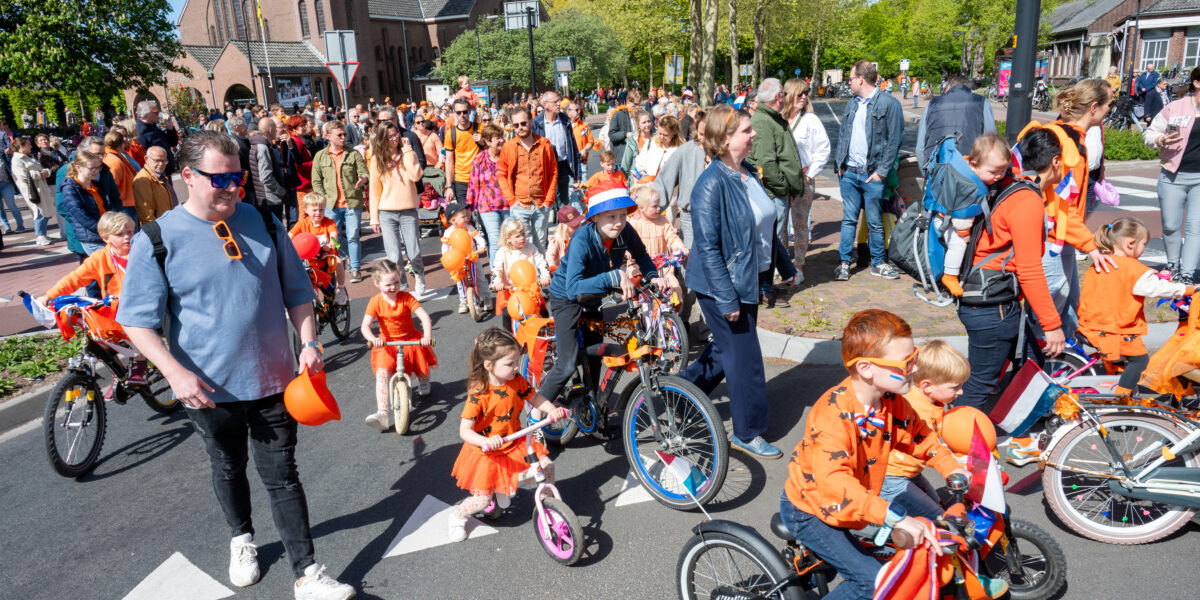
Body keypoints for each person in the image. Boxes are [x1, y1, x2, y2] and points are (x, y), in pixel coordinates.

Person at [115, 130, 356, 599]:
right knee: (227, 467)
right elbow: (137, 323)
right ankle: (242, 538)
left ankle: (307, 572)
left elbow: (298, 293)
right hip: (205, 389)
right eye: (219, 178)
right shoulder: (157, 240)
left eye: (237, 177)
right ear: (187, 176)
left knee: (283, 475)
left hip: (274, 381)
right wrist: (174, 372)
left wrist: (309, 343)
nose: (231, 187)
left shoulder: (264, 222)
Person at [780, 309, 983, 600]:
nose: (914, 368)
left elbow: (921, 437)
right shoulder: (832, 416)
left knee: (903, 556)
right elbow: (836, 483)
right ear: (866, 368)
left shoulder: (891, 401)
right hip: (811, 508)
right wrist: (894, 517)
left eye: (914, 357)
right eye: (905, 363)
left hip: (854, 505)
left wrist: (950, 467)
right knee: (873, 584)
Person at [680, 106, 797, 458]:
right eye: (747, 130)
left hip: (747, 280)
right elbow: (709, 249)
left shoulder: (747, 172)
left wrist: (783, 263)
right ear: (725, 138)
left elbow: (762, 227)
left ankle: (675, 392)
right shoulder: (710, 185)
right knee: (746, 361)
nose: (754, 135)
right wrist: (727, 300)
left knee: (725, 352)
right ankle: (748, 431)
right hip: (722, 287)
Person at [957, 127, 1065, 410]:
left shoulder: (1007, 183)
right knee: (981, 384)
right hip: (993, 304)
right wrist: (1052, 325)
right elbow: (1029, 270)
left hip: (987, 298)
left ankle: (1016, 430)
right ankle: (955, 445)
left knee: (1030, 364)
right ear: (1056, 162)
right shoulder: (1026, 199)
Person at [532, 179, 663, 412]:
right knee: (567, 363)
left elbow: (642, 254)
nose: (619, 222)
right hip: (567, 298)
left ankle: (591, 406)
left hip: (594, 298)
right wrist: (613, 277)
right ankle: (536, 415)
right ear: (595, 217)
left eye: (623, 215)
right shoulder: (581, 239)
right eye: (611, 217)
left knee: (595, 355)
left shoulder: (625, 231)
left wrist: (653, 277)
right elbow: (573, 288)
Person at [447, 327, 567, 542]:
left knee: (547, 466)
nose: (515, 367)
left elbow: (535, 399)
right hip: (487, 452)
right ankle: (456, 515)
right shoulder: (479, 392)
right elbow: (464, 430)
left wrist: (551, 410)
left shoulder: (517, 380)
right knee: (482, 501)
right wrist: (486, 440)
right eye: (509, 364)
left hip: (515, 441)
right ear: (489, 365)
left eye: (516, 362)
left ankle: (551, 507)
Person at [1077, 217, 1192, 396]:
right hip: (1116, 329)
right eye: (1143, 244)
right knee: (1140, 361)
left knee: (1119, 361)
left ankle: (1115, 384)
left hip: (1091, 324)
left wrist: (1147, 274)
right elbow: (1160, 289)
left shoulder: (1099, 263)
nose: (1143, 249)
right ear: (1131, 243)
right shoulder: (1134, 269)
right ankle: (1120, 397)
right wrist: (1190, 289)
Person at [37, 211, 148, 384]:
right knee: (98, 342)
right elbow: (75, 279)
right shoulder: (100, 258)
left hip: (142, 306)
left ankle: (140, 364)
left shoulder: (141, 252)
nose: (127, 237)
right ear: (106, 238)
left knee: (137, 328)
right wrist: (49, 295)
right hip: (115, 309)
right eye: (120, 234)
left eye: (130, 232)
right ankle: (118, 375)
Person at [880, 340, 969, 518]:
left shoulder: (934, 401)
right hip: (891, 477)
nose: (961, 392)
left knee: (938, 508)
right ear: (927, 386)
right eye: (955, 387)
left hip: (908, 471)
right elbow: (925, 445)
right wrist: (952, 466)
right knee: (939, 520)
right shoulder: (915, 410)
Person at [834, 61, 904, 281]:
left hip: (872, 173)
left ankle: (878, 262)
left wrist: (882, 172)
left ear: (861, 79)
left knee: (874, 220)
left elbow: (894, 140)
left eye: (851, 78)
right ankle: (844, 263)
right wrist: (840, 165)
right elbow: (843, 136)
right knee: (849, 220)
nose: (849, 82)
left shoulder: (889, 104)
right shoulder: (852, 104)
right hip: (850, 173)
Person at [932, 135, 1014, 297]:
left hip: (950, 218)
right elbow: (962, 218)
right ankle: (950, 275)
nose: (999, 176)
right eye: (994, 172)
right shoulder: (969, 185)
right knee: (959, 244)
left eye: (1003, 170)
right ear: (974, 165)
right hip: (947, 221)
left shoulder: (968, 168)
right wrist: (965, 235)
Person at [361, 259, 437, 430]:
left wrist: (427, 336)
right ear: (377, 283)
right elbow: (365, 326)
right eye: (388, 284)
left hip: (409, 338)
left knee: (420, 365)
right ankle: (382, 412)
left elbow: (424, 317)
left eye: (396, 282)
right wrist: (373, 339)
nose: (393, 287)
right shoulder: (375, 301)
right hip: (386, 343)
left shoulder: (406, 297)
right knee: (382, 373)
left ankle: (424, 381)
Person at [1146, 66, 1200, 285]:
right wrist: (1161, 140)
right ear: (1197, 83)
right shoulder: (1176, 108)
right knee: (1170, 225)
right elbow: (1150, 134)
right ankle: (1173, 265)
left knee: (1195, 227)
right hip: (1172, 175)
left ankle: (1187, 273)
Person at [748, 78, 806, 266]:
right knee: (770, 241)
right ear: (778, 97)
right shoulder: (764, 121)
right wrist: (782, 187)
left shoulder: (770, 118)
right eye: (783, 94)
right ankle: (767, 284)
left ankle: (769, 280)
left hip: (777, 192)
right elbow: (766, 162)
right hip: (774, 193)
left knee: (773, 240)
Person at [369, 121, 429, 297]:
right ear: (382, 139)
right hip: (386, 211)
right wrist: (374, 218)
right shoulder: (376, 159)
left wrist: (409, 151)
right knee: (393, 255)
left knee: (414, 251)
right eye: (389, 137)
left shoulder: (407, 154)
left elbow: (416, 175)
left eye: (396, 135)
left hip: (408, 209)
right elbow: (374, 191)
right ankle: (401, 285)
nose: (394, 139)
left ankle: (419, 275)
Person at [311, 120, 369, 283]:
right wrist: (323, 199)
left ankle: (355, 268)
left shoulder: (353, 154)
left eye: (344, 134)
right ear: (328, 136)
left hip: (352, 202)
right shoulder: (320, 156)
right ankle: (346, 256)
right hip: (331, 205)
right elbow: (316, 181)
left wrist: (363, 179)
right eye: (340, 135)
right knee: (335, 238)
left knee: (353, 236)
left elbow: (365, 173)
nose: (344, 137)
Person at [783, 79, 829, 279]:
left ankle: (799, 265)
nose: (803, 97)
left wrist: (810, 174)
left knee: (800, 224)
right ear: (789, 94)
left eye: (806, 93)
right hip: (780, 179)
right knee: (779, 224)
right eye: (799, 93)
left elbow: (823, 148)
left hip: (803, 177)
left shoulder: (810, 120)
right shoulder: (778, 119)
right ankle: (783, 263)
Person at [497, 107, 557, 253]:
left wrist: (548, 200)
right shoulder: (509, 146)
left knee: (540, 244)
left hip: (541, 204)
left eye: (523, 123)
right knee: (520, 245)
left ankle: (541, 275)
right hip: (519, 204)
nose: (520, 128)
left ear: (530, 121)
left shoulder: (544, 144)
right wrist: (511, 199)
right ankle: (525, 275)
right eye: (516, 125)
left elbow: (553, 172)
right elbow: (502, 174)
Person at [915, 75, 997, 174]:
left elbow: (920, 146)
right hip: (969, 168)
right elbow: (990, 141)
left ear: (949, 87)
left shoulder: (933, 103)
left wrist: (925, 172)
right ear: (969, 89)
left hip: (937, 168)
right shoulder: (981, 102)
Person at [653, 113, 708, 248]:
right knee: (690, 259)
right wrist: (650, 209)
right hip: (690, 218)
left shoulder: (726, 154)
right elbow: (664, 182)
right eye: (700, 133)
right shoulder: (687, 150)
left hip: (717, 218)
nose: (702, 138)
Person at [290, 192, 349, 305]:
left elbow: (335, 238)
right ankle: (314, 305)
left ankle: (341, 289)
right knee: (309, 285)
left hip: (327, 258)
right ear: (306, 210)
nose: (318, 213)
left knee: (339, 262)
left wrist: (331, 244)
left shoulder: (329, 223)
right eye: (314, 210)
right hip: (310, 261)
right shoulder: (302, 224)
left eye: (321, 210)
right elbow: (289, 237)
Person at [627, 185, 686, 291]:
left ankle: (674, 307)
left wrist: (680, 248)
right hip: (638, 266)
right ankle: (636, 305)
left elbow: (672, 237)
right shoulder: (634, 224)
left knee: (675, 288)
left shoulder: (663, 221)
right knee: (636, 284)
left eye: (659, 205)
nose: (659, 208)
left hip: (662, 266)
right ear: (641, 207)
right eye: (654, 206)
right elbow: (627, 241)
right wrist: (628, 252)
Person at [489, 217, 550, 319]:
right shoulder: (502, 252)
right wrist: (497, 283)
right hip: (510, 290)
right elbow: (496, 270)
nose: (522, 238)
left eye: (523, 234)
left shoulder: (530, 247)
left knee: (543, 311)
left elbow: (542, 262)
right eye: (517, 236)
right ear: (507, 238)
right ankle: (509, 334)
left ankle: (546, 330)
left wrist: (545, 276)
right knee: (507, 315)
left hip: (529, 289)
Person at [466, 124, 510, 262]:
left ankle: (509, 276)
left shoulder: (507, 156)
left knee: (509, 241)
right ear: (488, 141)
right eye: (497, 138)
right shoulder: (479, 159)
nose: (501, 140)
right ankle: (496, 277)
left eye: (502, 137)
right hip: (487, 206)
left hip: (508, 205)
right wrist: (470, 207)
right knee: (495, 240)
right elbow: (473, 183)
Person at [59, 150, 115, 256]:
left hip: (105, 234)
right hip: (93, 238)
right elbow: (81, 216)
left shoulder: (95, 184)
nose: (96, 171)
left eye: (98, 167)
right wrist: (102, 230)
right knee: (107, 269)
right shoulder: (70, 188)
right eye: (91, 168)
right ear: (78, 167)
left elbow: (106, 208)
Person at [532, 91, 581, 209]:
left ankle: (563, 226)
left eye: (559, 101)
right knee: (545, 204)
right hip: (543, 168)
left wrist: (577, 175)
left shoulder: (565, 121)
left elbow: (574, 149)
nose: (559, 104)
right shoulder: (537, 123)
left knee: (563, 204)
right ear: (545, 104)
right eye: (555, 102)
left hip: (562, 166)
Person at [440, 203, 488, 313]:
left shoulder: (469, 228)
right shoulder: (449, 232)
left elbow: (479, 238)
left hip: (472, 256)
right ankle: (464, 301)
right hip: (458, 261)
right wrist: (446, 257)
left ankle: (486, 297)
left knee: (480, 277)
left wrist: (482, 246)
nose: (466, 218)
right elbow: (445, 246)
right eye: (463, 217)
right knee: (460, 281)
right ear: (453, 220)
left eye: (467, 216)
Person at [10, 136, 54, 245]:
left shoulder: (29, 157)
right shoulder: (17, 159)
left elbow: (41, 168)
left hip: (42, 187)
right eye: (28, 144)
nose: (31, 146)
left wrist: (46, 172)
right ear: (21, 146)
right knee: (38, 212)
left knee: (46, 211)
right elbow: (23, 176)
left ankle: (43, 233)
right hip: (32, 190)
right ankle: (40, 235)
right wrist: (39, 175)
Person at [249, 117, 289, 222]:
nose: (276, 131)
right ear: (271, 130)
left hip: (265, 196)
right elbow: (266, 177)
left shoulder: (256, 144)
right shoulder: (262, 148)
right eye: (275, 129)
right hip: (270, 198)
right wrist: (281, 191)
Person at [443, 97, 482, 204]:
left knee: (482, 217)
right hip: (461, 181)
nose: (462, 115)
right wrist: (449, 186)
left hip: (480, 179)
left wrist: (483, 141)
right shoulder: (451, 133)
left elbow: (493, 152)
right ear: (454, 113)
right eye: (459, 112)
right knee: (465, 217)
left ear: (470, 111)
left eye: (465, 112)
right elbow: (449, 161)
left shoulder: (479, 129)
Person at [130, 146, 176, 225]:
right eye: (157, 161)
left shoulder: (159, 176)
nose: (161, 164)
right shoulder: (143, 180)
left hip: (168, 224)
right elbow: (146, 215)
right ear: (146, 159)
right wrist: (156, 233)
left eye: (163, 161)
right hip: (161, 229)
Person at [101, 131, 139, 225]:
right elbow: (112, 186)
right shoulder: (114, 161)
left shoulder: (114, 156)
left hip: (125, 203)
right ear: (120, 144)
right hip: (124, 205)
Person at [134, 100, 179, 176]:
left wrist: (170, 129)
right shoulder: (140, 132)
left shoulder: (154, 127)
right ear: (147, 114)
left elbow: (173, 143)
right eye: (155, 112)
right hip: (157, 174)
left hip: (166, 172)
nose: (158, 114)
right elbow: (142, 157)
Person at [546, 204, 585, 270]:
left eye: (578, 223)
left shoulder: (580, 235)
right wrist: (553, 268)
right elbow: (550, 256)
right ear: (564, 226)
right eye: (574, 225)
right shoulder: (557, 239)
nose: (578, 226)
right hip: (563, 272)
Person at [608, 89, 640, 169]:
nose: (637, 107)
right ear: (628, 101)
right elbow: (612, 135)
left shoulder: (639, 114)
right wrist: (625, 134)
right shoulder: (618, 114)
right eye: (635, 104)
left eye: (638, 104)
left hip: (636, 155)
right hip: (622, 156)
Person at [619, 110, 654, 176]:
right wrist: (624, 180)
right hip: (638, 178)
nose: (647, 124)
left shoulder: (658, 137)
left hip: (655, 177)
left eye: (649, 121)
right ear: (638, 125)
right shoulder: (633, 140)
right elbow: (626, 164)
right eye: (644, 122)